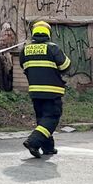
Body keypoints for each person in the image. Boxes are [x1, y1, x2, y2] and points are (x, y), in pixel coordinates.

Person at [21, 20, 72, 158]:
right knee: (51, 118)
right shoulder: (52, 48)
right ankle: (33, 142)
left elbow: (24, 68)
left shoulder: (25, 49)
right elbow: (66, 66)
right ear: (48, 33)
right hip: (52, 91)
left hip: (35, 92)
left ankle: (48, 148)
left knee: (42, 119)